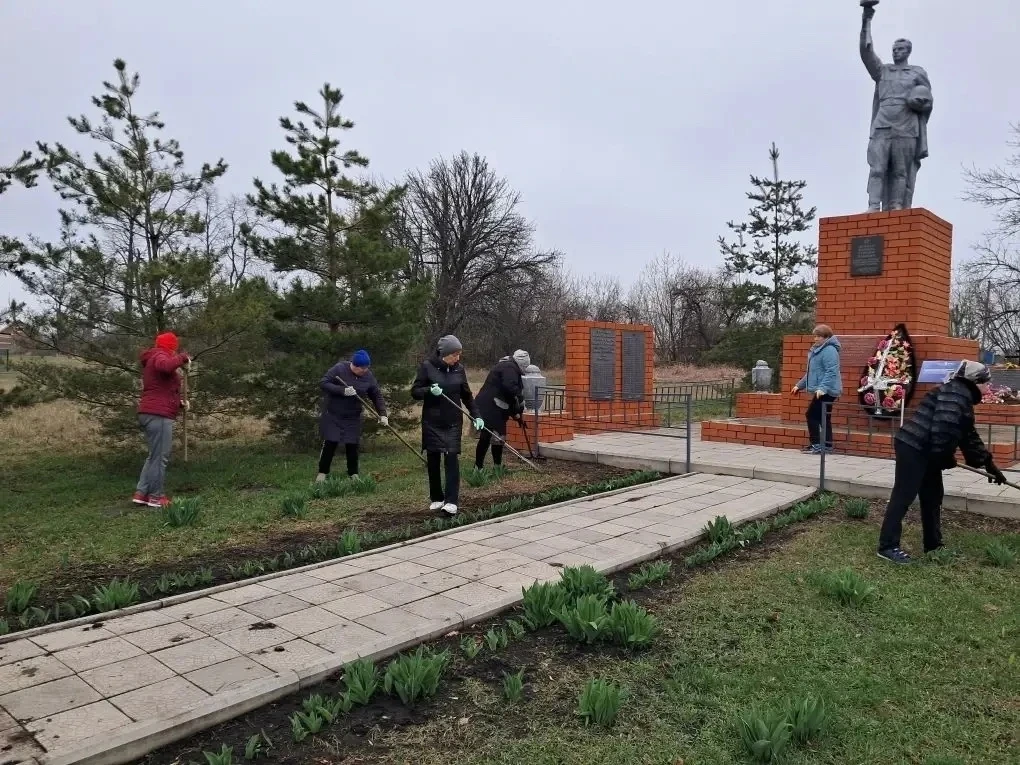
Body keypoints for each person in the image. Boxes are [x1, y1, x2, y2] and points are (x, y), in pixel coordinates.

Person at [877, 361, 1006, 564]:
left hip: (927, 449)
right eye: (987, 383)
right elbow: (943, 428)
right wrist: (945, 457)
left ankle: (933, 545)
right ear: (976, 382)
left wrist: (988, 463)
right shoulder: (956, 396)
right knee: (904, 495)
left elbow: (967, 434)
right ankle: (887, 546)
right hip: (913, 447)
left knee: (932, 496)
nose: (988, 388)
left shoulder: (960, 394)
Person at [859, 2, 933, 211]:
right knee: (877, 168)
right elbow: (866, 52)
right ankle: (873, 206)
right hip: (883, 124)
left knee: (901, 171)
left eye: (900, 49)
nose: (896, 52)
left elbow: (928, 101)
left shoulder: (917, 72)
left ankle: (897, 206)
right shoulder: (883, 71)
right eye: (894, 49)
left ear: (908, 51)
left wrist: (920, 103)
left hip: (906, 126)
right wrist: (866, 19)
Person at [411, 335, 483, 516]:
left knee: (451, 458)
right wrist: (429, 391)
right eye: (454, 355)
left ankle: (451, 501)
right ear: (444, 354)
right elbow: (415, 392)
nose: (457, 358)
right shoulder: (427, 367)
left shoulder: (459, 370)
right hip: (432, 421)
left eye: (459, 354)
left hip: (452, 421)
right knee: (433, 458)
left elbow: (466, 395)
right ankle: (436, 497)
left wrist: (476, 416)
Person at [134, 331, 191, 509]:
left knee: (153, 456)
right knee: (160, 458)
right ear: (171, 346)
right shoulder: (160, 356)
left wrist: (179, 404)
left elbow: (162, 390)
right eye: (175, 348)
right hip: (158, 415)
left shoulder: (154, 356)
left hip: (152, 411)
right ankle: (156, 497)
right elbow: (166, 367)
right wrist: (183, 358)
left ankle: (142, 493)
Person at [316, 349, 387, 482]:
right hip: (334, 414)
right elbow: (324, 383)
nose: (365, 371)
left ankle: (353, 474)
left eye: (367, 368)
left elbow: (376, 395)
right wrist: (342, 390)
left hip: (353, 416)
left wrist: (383, 414)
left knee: (352, 445)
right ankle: (322, 473)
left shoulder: (368, 376)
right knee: (330, 442)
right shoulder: (339, 369)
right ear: (354, 365)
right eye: (362, 369)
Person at [474, 350, 530, 470]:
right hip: (490, 406)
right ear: (522, 363)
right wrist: (520, 400)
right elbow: (510, 389)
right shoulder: (509, 367)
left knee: (496, 437)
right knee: (492, 436)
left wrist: (517, 415)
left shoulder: (510, 367)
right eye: (525, 366)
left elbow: (508, 396)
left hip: (494, 406)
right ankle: (480, 467)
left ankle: (495, 466)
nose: (525, 368)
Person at [791, 325, 842, 454]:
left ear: (827, 337)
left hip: (827, 390)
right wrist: (799, 385)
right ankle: (827, 446)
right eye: (815, 336)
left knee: (811, 415)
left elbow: (832, 371)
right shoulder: (819, 350)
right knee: (823, 417)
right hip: (823, 389)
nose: (816, 339)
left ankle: (817, 445)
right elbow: (812, 373)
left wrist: (822, 388)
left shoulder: (829, 350)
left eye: (819, 336)